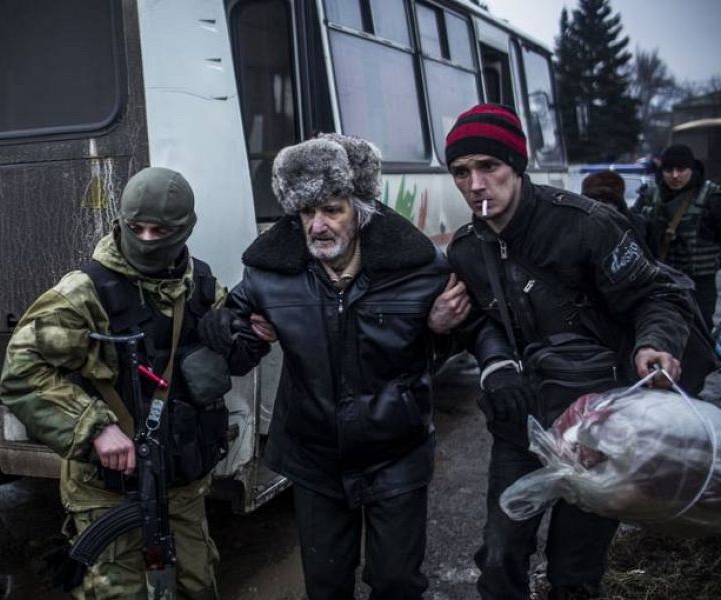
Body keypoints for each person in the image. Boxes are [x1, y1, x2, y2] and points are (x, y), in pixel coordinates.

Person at [434, 103, 709, 600]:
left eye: (488, 167)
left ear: (516, 166)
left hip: (599, 427)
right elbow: (479, 323)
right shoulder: (466, 250)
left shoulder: (588, 225)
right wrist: (495, 367)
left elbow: (659, 294)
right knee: (499, 557)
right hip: (521, 426)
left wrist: (655, 344)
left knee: (574, 571)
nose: (475, 184)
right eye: (460, 171)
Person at [198, 133, 471, 600]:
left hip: (396, 453)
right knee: (326, 586)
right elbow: (232, 343)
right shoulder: (270, 275)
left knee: (396, 582)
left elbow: (449, 349)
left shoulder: (418, 269)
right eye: (307, 212)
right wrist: (235, 330)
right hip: (313, 455)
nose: (318, 226)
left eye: (332, 210)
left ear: (359, 211)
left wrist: (440, 330)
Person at [0, 167, 268, 599]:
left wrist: (250, 337)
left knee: (196, 586)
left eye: (159, 229)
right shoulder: (85, 292)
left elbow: (230, 361)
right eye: (135, 227)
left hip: (181, 483)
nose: (145, 239)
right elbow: (21, 371)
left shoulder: (199, 285)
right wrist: (93, 426)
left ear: (185, 229)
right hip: (108, 488)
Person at [634, 144, 721, 327]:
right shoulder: (650, 196)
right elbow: (632, 231)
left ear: (692, 169)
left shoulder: (711, 198)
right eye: (669, 170)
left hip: (700, 283)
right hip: (661, 280)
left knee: (700, 331)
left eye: (681, 169)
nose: (675, 176)